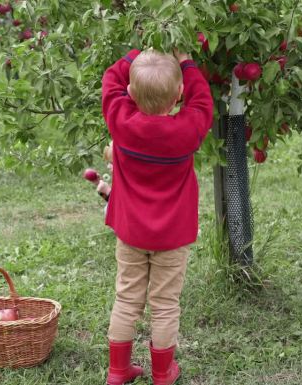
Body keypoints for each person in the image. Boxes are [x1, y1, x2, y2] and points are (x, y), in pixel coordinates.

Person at [101, 48, 213, 385]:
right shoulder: (187, 131)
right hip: (171, 237)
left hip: (131, 233)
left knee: (126, 299)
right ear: (179, 95)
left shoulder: (121, 122)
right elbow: (203, 100)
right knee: (165, 304)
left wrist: (135, 53)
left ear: (131, 94)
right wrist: (186, 63)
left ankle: (118, 371)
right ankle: (163, 374)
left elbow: (110, 82)